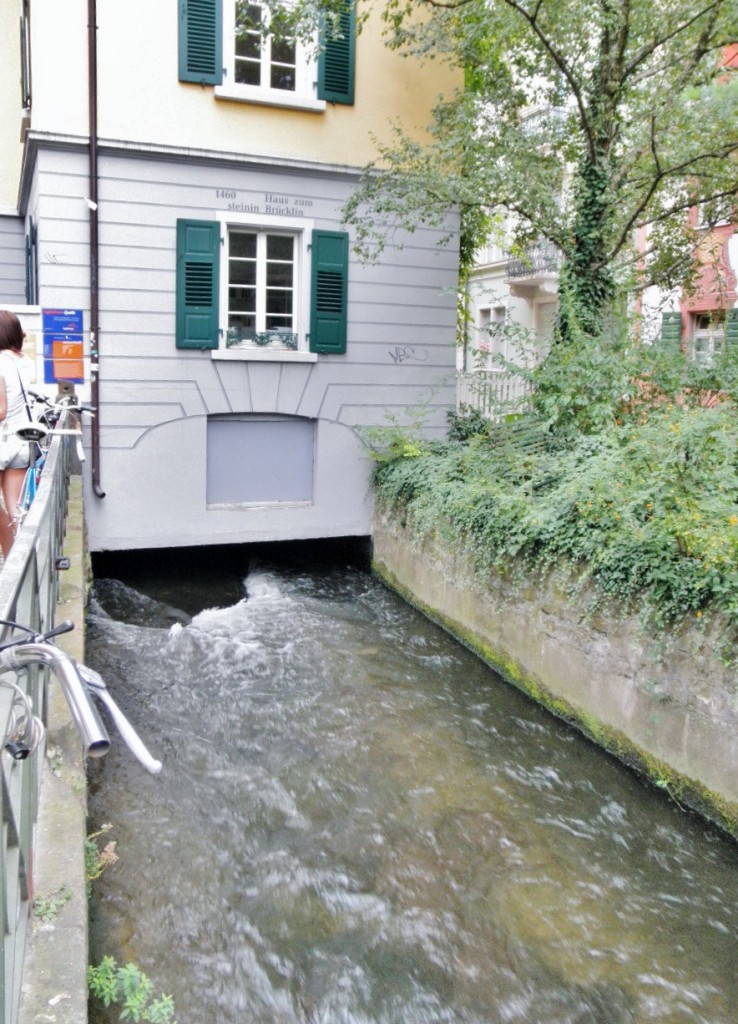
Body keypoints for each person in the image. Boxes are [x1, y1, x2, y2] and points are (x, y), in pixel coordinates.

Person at [0, 311, 33, 558]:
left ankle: (10, 555)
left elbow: (1, 410)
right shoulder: (26, 362)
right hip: (22, 441)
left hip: (2, 440)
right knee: (15, 510)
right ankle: (22, 560)